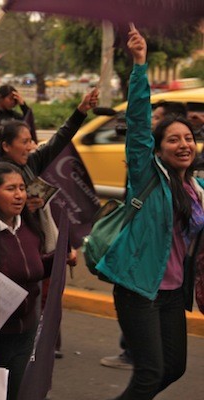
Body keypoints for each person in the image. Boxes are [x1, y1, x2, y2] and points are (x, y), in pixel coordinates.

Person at [96, 28, 204, 400]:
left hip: (174, 292)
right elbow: (140, 123)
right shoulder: (148, 175)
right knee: (149, 373)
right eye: (173, 139)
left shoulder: (197, 188)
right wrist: (140, 65)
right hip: (139, 288)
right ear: (157, 149)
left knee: (174, 368)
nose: (184, 144)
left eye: (188, 138)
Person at [0, 162, 53, 400]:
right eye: (11, 189)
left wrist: (58, 260)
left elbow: (32, 270)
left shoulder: (29, 228)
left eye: (21, 188)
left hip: (25, 334)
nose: (20, 195)